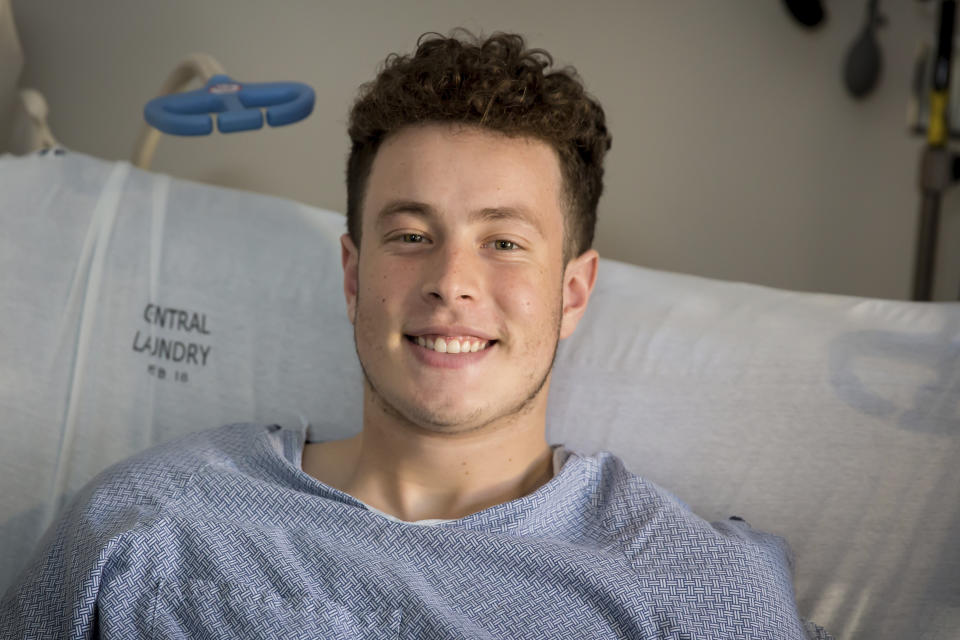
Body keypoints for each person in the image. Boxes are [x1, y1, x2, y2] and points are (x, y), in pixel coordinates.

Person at [1, 30, 831, 639]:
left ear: (573, 293)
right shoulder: (146, 525)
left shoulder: (697, 592)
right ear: (354, 273)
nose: (451, 280)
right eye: (410, 235)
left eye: (504, 242)